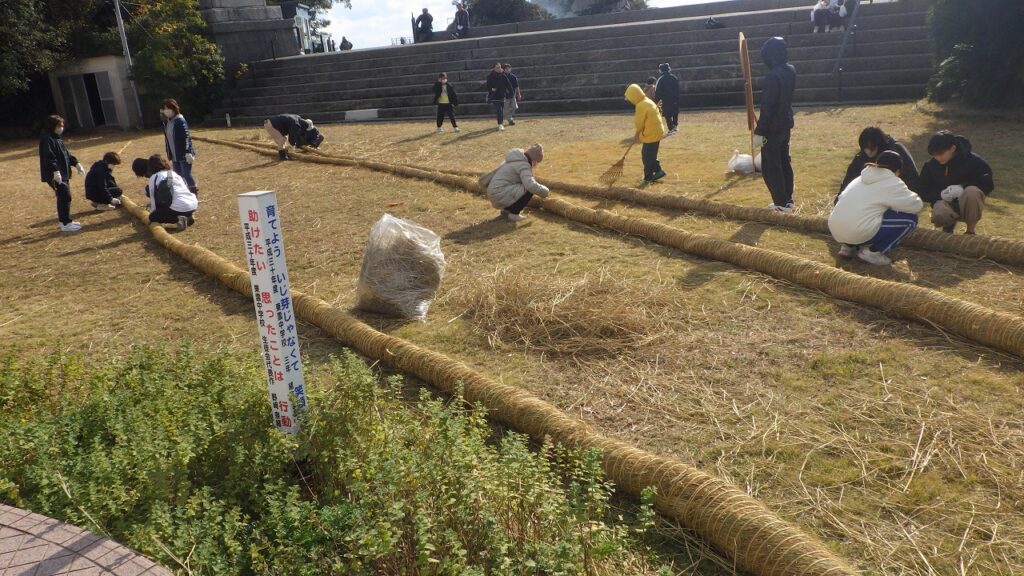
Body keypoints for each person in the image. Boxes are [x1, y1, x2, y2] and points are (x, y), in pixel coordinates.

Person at [829, 151, 923, 266]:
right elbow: (916, 205)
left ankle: (848, 247)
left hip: (835, 229)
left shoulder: (860, 178)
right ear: (898, 171)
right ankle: (873, 252)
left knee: (866, 211)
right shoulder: (892, 182)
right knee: (911, 220)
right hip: (857, 231)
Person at [910, 131, 994, 235]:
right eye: (934, 155)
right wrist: (940, 194)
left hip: (968, 203)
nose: (938, 158)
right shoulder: (930, 166)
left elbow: (987, 183)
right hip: (945, 203)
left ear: (953, 148)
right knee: (940, 213)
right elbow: (922, 190)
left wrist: (963, 187)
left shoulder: (974, 161)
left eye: (941, 154)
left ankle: (970, 231)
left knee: (972, 192)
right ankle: (947, 229)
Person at [753, 37, 796, 213]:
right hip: (785, 123)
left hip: (772, 128)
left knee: (772, 166)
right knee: (784, 161)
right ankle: (787, 199)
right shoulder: (790, 70)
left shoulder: (773, 76)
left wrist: (759, 132)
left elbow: (768, 107)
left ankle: (780, 202)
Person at [38, 114, 84, 232]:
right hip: (55, 174)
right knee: (64, 196)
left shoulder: (56, 137)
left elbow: (65, 154)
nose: (61, 128)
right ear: (52, 125)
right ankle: (65, 223)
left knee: (64, 197)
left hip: (62, 172)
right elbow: (49, 157)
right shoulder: (47, 138)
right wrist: (55, 171)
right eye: (59, 125)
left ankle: (64, 221)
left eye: (62, 125)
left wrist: (76, 163)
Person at [839, 126, 919, 195]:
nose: (868, 152)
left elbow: (912, 177)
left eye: (871, 148)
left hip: (896, 194)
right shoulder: (861, 157)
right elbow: (848, 181)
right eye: (865, 148)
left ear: (879, 144)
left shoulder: (896, 151)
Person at [482, 144, 550, 222]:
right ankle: (514, 214)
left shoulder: (515, 159)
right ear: (534, 160)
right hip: (499, 193)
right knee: (528, 189)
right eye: (537, 162)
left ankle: (506, 210)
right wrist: (545, 191)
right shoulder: (524, 165)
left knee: (522, 186)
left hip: (494, 192)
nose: (536, 165)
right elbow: (530, 185)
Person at [141, 154, 198, 231]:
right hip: (193, 204)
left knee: (153, 216)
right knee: (175, 204)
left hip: (180, 207)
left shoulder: (154, 177)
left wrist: (153, 216)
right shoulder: (173, 173)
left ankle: (178, 219)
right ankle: (188, 215)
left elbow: (153, 198)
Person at [625, 83, 667, 185]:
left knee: (647, 157)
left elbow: (639, 123)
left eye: (630, 98)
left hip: (651, 134)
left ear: (634, 96)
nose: (630, 101)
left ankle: (648, 178)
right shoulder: (647, 100)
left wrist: (636, 135)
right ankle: (658, 171)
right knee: (650, 154)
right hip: (657, 132)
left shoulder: (641, 105)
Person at [160, 98, 198, 195]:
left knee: (186, 174)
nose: (166, 111)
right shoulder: (167, 122)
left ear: (174, 109)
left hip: (183, 154)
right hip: (174, 155)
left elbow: (186, 137)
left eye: (168, 108)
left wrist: (188, 152)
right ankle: (184, 194)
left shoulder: (180, 120)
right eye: (164, 109)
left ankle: (194, 194)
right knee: (178, 176)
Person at [486, 62, 514, 131]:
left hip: (502, 96)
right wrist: (491, 89)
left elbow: (508, 85)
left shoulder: (503, 75)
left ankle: (501, 123)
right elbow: (487, 86)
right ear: (493, 68)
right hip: (494, 96)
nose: (499, 69)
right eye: (497, 68)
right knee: (499, 110)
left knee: (501, 110)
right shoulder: (490, 76)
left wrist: (512, 93)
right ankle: (500, 124)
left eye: (500, 67)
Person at [654, 63, 680, 135]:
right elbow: (678, 89)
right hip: (674, 98)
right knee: (675, 112)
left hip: (665, 100)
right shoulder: (674, 78)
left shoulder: (661, 79)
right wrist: (677, 98)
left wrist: (657, 101)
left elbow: (658, 91)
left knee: (667, 114)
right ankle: (675, 125)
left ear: (661, 70)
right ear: (669, 69)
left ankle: (671, 128)